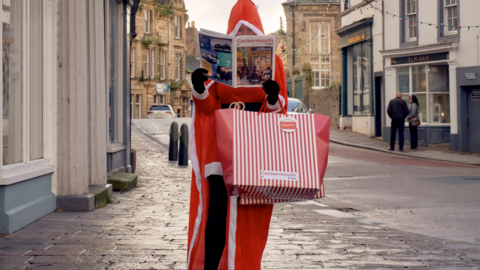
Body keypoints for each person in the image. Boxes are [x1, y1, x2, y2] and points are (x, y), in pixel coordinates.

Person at [186, 1, 289, 269]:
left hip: (256, 144)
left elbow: (280, 110)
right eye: (239, 31)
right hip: (223, 142)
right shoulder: (217, 61)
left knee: (251, 214)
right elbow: (209, 107)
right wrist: (200, 88)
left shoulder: (275, 61)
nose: (244, 35)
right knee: (217, 213)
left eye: (249, 31)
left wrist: (274, 97)